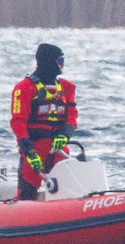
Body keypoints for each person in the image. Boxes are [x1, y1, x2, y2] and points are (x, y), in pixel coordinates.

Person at [9, 43, 76, 200]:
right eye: (59, 61)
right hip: (35, 148)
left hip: (58, 148)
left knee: (69, 189)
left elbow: (72, 117)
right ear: (49, 61)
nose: (62, 65)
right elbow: (18, 122)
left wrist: (64, 136)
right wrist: (29, 151)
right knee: (27, 192)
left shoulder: (67, 87)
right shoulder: (24, 88)